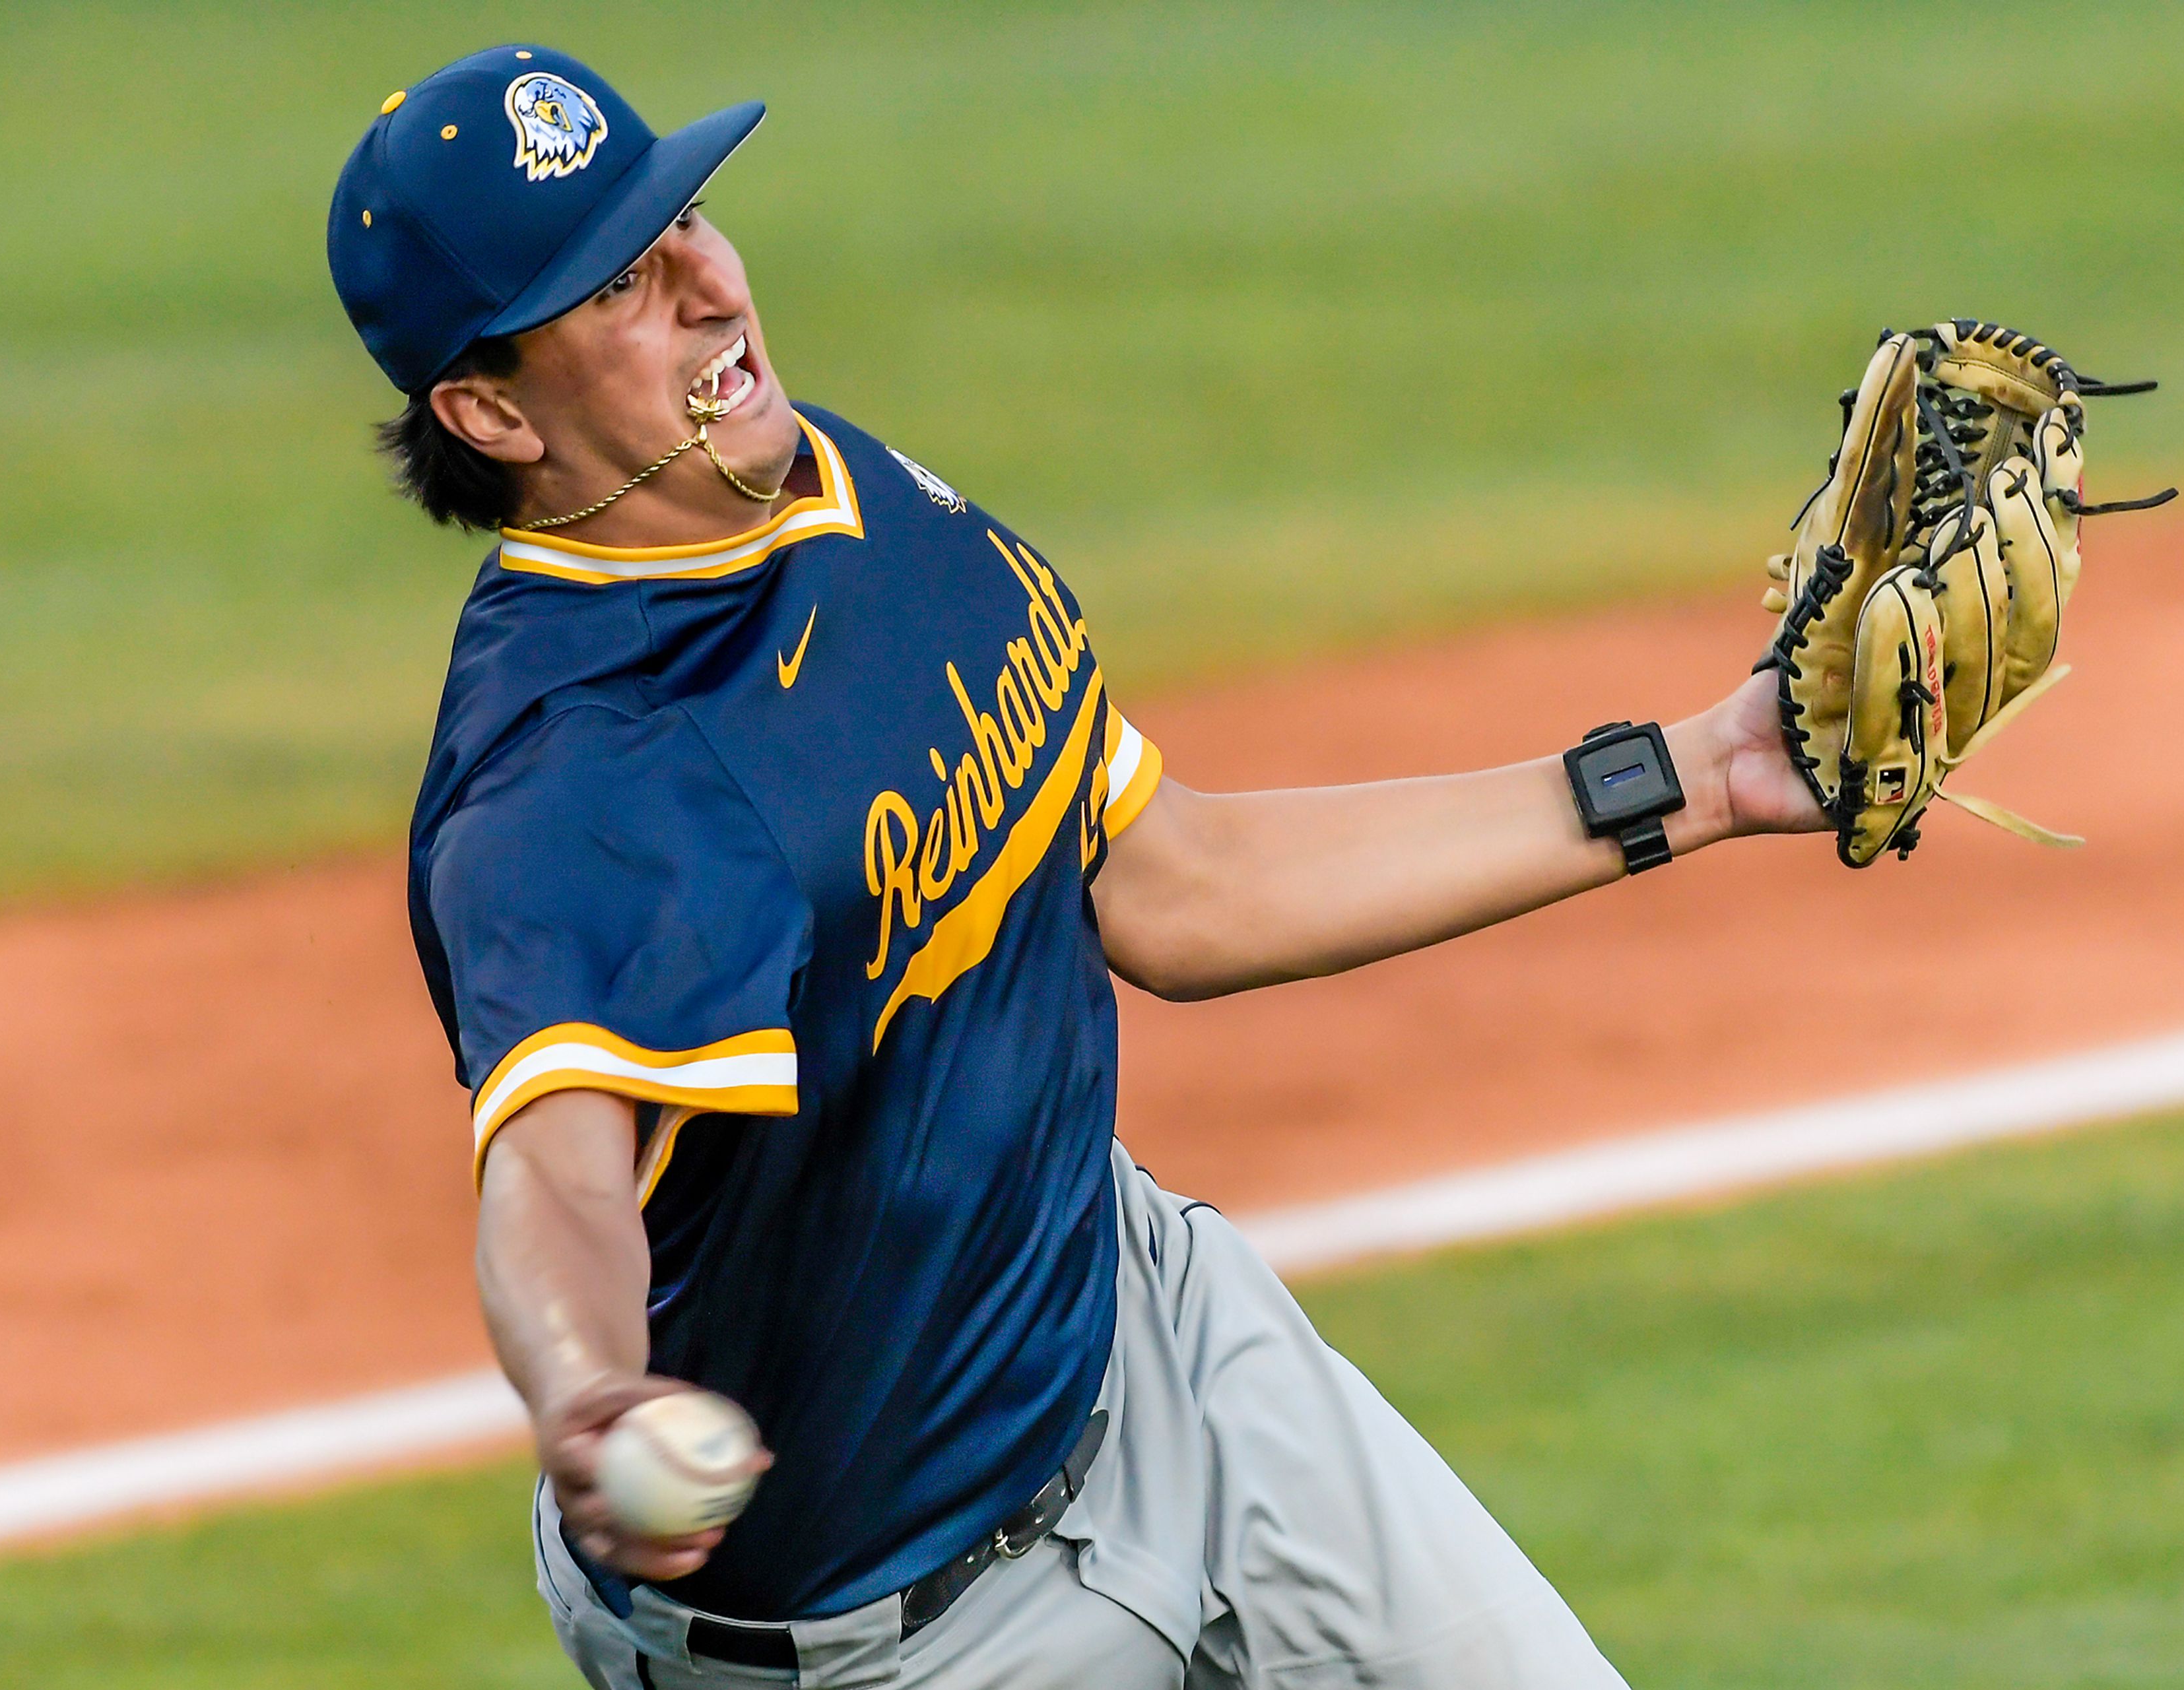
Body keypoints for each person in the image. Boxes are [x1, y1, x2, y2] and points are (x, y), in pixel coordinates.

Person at [329, 44, 1825, 1690]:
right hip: (899, 1636)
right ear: (486, 410)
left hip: (1163, 1349)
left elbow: (1175, 882)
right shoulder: (572, 777)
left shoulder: (842, 488)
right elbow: (552, 1172)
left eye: (685, 218)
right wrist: (585, 1393)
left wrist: (1700, 773)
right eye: (619, 283)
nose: (703, 285)